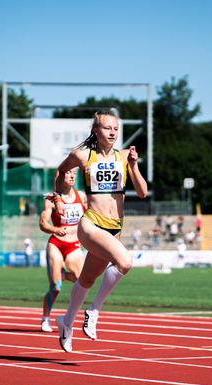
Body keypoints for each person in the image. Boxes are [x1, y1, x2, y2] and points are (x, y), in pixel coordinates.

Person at [53, 109, 148, 352]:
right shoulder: (82, 155)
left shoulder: (125, 156)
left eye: (116, 128)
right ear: (96, 130)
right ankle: (93, 311)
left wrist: (134, 167)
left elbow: (142, 192)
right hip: (90, 223)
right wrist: (58, 200)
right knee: (125, 262)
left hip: (114, 227)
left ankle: (66, 322)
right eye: (107, 128)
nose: (113, 132)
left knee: (86, 279)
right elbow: (62, 170)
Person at [38, 167, 87, 333]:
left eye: (74, 173)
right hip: (56, 244)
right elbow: (43, 224)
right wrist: (55, 230)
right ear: (60, 177)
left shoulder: (81, 196)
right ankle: (46, 318)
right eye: (68, 173)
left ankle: (64, 275)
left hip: (74, 245)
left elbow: (92, 216)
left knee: (81, 281)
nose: (72, 175)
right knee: (56, 287)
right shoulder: (51, 199)